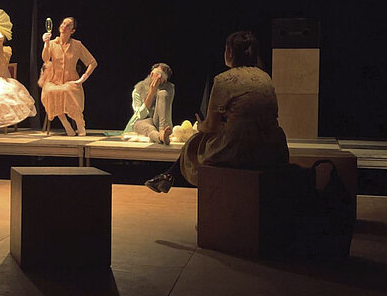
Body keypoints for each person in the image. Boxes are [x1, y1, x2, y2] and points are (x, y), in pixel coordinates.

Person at [145, 31, 289, 192]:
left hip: (240, 147)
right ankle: (168, 176)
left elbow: (211, 126)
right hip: (272, 144)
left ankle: (170, 176)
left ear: (230, 52)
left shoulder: (223, 80)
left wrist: (201, 125)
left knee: (195, 141)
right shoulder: (266, 78)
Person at [40, 17, 97, 136]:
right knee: (50, 92)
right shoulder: (52, 43)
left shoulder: (77, 45)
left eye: (68, 25)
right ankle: (66, 124)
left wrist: (83, 78)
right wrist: (46, 44)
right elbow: (45, 59)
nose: (64, 26)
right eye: (63, 23)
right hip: (54, 80)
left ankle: (79, 123)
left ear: (72, 30)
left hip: (71, 81)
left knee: (67, 90)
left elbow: (92, 62)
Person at [124, 63, 175, 143]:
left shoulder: (169, 88)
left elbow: (166, 112)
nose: (159, 77)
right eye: (158, 74)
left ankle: (162, 131)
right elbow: (140, 116)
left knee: (163, 93)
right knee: (145, 127)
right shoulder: (138, 89)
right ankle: (160, 137)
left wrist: (162, 127)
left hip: (160, 123)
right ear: (151, 74)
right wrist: (151, 92)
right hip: (143, 122)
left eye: (162, 76)